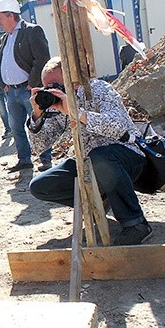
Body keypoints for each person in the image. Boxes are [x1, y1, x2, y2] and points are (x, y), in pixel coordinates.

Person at [27, 57, 153, 246]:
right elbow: (38, 147)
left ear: (73, 78)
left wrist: (77, 112)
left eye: (55, 84)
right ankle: (99, 202)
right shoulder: (57, 105)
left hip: (126, 155)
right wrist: (37, 115)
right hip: (88, 161)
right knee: (40, 185)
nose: (52, 90)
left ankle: (136, 223)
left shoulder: (98, 89)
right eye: (46, 87)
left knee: (100, 157)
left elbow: (118, 127)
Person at [0, 0, 53, 172]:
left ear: (10, 15)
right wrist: (3, 82)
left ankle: (46, 160)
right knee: (16, 127)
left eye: (0, 17)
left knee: (38, 125)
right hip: (11, 92)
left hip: (28, 90)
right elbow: (0, 60)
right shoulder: (5, 37)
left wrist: (32, 83)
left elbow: (42, 58)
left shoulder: (32, 31)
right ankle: (24, 159)